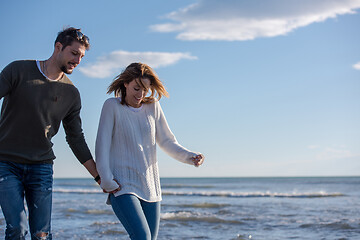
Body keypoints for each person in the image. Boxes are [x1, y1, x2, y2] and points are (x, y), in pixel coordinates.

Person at [0, 27, 101, 239]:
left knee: (42, 234)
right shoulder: (18, 70)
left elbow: (76, 138)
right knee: (17, 229)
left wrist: (99, 177)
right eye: (74, 53)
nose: (78, 61)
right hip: (6, 163)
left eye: (82, 56)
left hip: (41, 167)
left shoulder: (71, 93)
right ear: (58, 47)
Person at [95, 62, 205, 240]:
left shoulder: (153, 106)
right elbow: (102, 145)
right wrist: (106, 180)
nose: (141, 94)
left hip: (151, 188)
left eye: (145, 89)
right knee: (142, 237)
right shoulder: (112, 106)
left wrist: (190, 156)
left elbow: (167, 141)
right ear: (125, 83)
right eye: (136, 88)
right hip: (123, 186)